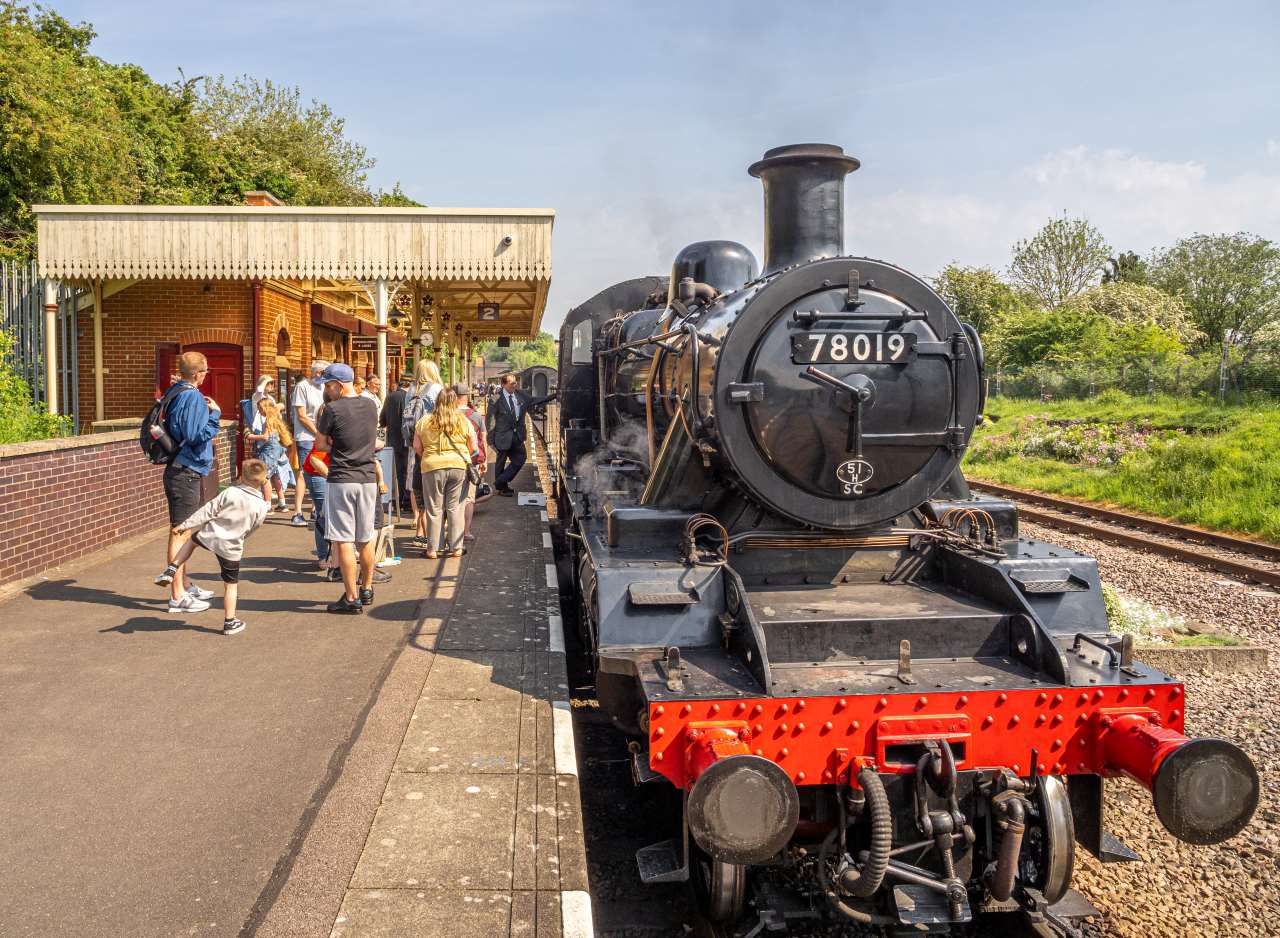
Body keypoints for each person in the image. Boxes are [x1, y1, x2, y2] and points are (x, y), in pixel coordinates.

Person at [164, 459, 271, 635]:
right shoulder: (261, 506)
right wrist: (242, 537)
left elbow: (208, 510)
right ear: (263, 480)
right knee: (230, 585)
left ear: (241, 476)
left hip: (211, 535)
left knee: (191, 542)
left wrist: (184, 525)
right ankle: (229, 622)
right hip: (232, 548)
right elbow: (255, 526)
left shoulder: (230, 492)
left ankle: (172, 568)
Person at [154, 351, 222, 612]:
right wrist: (214, 414)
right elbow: (195, 435)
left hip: (180, 469)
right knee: (181, 532)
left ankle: (186, 583)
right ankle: (177, 595)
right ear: (197, 373)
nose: (206, 374)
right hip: (186, 471)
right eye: (205, 370)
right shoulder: (191, 395)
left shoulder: (176, 391)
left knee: (184, 529)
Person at [313, 363, 380, 614]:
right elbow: (371, 439)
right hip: (367, 478)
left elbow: (320, 444)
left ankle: (351, 598)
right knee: (365, 538)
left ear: (338, 385)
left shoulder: (332, 409)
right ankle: (368, 588)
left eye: (329, 385)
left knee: (343, 540)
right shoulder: (371, 405)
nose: (327, 390)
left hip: (342, 478)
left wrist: (337, 447)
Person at [413, 386, 475, 559]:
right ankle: (456, 548)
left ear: (437, 401)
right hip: (457, 467)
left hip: (432, 467)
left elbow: (417, 446)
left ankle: (433, 549)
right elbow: (473, 447)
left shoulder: (425, 421)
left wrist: (429, 456)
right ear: (455, 402)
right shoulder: (463, 420)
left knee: (434, 508)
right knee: (455, 507)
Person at [487, 372, 555, 496]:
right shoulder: (495, 399)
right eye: (511, 383)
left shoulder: (520, 395)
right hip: (502, 436)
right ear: (503, 384)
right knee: (500, 462)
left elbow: (534, 400)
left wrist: (553, 396)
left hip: (517, 436)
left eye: (515, 382)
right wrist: (490, 441)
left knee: (521, 458)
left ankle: (500, 482)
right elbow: (490, 421)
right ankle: (503, 488)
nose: (515, 385)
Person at [403, 360, 444, 545]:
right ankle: (431, 534)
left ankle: (418, 526)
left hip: (414, 443)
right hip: (432, 444)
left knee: (415, 484)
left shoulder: (410, 390)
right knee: (431, 486)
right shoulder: (436, 389)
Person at [290, 360, 329, 526]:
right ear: (318, 373)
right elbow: (302, 415)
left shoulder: (323, 387)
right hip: (306, 437)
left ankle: (315, 509)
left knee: (320, 472)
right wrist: (318, 432)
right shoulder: (302, 386)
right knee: (304, 474)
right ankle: (298, 512)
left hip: (320, 436)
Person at [454, 383, 492, 542]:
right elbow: (482, 439)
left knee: (452, 498)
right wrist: (484, 460)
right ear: (466, 397)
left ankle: (451, 530)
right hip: (471, 462)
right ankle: (466, 531)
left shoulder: (445, 415)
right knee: (469, 498)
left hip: (451, 461)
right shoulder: (475, 416)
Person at [245, 398, 292, 510]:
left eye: (260, 408)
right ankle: (282, 503)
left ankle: (267, 505)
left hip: (269, 451)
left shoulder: (268, 420)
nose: (259, 411)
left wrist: (249, 435)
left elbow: (265, 437)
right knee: (275, 476)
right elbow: (281, 405)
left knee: (264, 478)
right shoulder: (276, 418)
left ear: (266, 408)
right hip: (277, 449)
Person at [380, 375, 412, 512]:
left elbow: (382, 420)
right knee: (408, 471)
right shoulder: (411, 398)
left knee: (397, 471)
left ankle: (396, 499)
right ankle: (406, 499)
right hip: (407, 439)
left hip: (393, 440)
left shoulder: (390, 397)